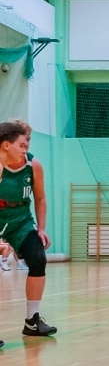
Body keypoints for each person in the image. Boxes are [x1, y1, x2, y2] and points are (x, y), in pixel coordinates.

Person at [0, 119, 57, 337]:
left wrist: (41, 229)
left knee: (38, 258)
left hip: (21, 220)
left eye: (28, 143)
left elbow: (40, 198)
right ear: (7, 144)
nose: (26, 149)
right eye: (23, 144)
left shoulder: (33, 165)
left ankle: (33, 321)